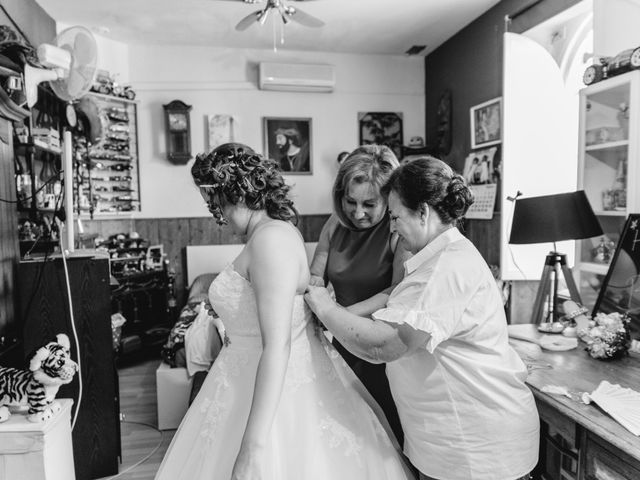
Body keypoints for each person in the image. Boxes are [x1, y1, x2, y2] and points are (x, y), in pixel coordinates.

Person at [155, 143, 415, 480]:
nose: (214, 214)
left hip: (309, 364)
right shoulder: (284, 232)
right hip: (253, 372)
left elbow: (277, 345)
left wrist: (251, 449)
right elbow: (314, 281)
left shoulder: (271, 241)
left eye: (214, 204)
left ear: (233, 194)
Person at [305, 156, 540, 480]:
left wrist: (325, 309)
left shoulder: (446, 268)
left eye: (396, 215)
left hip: (473, 445)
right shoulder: (434, 260)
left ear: (424, 212)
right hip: (446, 439)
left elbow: (384, 346)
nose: (392, 225)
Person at [308, 144, 407, 445]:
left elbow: (396, 291)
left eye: (370, 204)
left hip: (384, 344)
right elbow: (315, 277)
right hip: (343, 340)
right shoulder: (335, 223)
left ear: (389, 200)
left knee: (386, 431)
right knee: (348, 433)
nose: (358, 212)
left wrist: (337, 314)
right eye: (351, 201)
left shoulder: (399, 231)